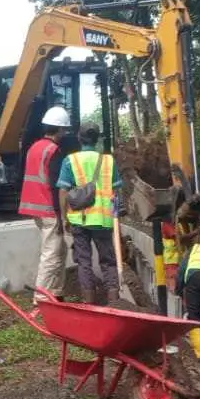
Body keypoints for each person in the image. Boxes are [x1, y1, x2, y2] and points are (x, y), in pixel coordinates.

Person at [57, 126, 124, 305]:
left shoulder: (70, 160)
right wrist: (116, 218)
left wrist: (64, 218)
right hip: (103, 220)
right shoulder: (108, 161)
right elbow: (117, 191)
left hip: (79, 220)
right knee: (108, 261)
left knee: (84, 261)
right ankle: (114, 301)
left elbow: (63, 192)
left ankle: (89, 302)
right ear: (97, 139)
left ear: (79, 138)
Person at [19, 106, 71, 301]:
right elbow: (57, 186)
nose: (65, 133)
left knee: (59, 250)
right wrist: (62, 215)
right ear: (59, 130)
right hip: (48, 207)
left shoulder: (35, 147)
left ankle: (56, 293)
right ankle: (41, 300)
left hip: (34, 206)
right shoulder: (54, 151)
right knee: (51, 254)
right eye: (64, 130)